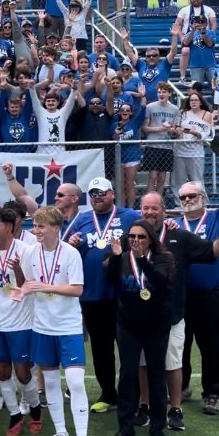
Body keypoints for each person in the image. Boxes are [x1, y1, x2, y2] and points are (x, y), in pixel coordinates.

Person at [137, 192, 219, 431]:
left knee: (173, 364)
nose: (149, 213)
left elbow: (210, 253)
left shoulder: (180, 236)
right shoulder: (134, 236)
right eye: (145, 208)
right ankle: (144, 406)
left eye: (154, 208)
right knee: (144, 364)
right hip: (141, 315)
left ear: (164, 211)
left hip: (172, 314)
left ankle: (175, 409)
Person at [19, 207, 94, 436]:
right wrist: (24, 291)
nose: (36, 231)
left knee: (75, 383)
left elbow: (77, 289)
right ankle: (61, 432)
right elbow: (29, 283)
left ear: (55, 228)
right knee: (50, 383)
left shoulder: (71, 253)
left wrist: (45, 286)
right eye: (35, 226)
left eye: (41, 226)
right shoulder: (30, 253)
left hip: (68, 328)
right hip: (42, 328)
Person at [177, 150, 219, 415]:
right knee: (179, 347)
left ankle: (212, 393)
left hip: (212, 296)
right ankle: (180, 386)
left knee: (213, 348)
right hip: (182, 297)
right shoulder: (173, 224)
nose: (187, 200)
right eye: (183, 197)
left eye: (192, 196)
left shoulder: (218, 217)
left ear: (203, 198)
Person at [67, 177, 140, 414]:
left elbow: (148, 237)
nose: (96, 197)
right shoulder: (82, 220)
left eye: (100, 192)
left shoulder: (129, 216)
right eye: (92, 193)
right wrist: (73, 242)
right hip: (92, 295)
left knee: (128, 347)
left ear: (112, 193)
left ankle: (133, 395)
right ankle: (108, 394)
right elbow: (65, 249)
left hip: (123, 294)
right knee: (101, 349)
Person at [104, 220, 176, 436]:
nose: (136, 241)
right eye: (132, 237)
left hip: (156, 326)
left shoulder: (164, 258)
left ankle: (157, 425)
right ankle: (125, 426)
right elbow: (110, 281)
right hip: (128, 325)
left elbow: (160, 282)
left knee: (156, 375)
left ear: (151, 239)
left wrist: (143, 260)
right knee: (127, 374)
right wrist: (116, 257)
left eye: (141, 237)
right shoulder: (123, 258)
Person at [0, 207, 44, 436]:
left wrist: (19, 272)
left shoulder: (27, 251)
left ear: (9, 227)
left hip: (22, 322)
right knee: (2, 371)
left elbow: (30, 287)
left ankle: (35, 411)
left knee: (24, 373)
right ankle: (14, 416)